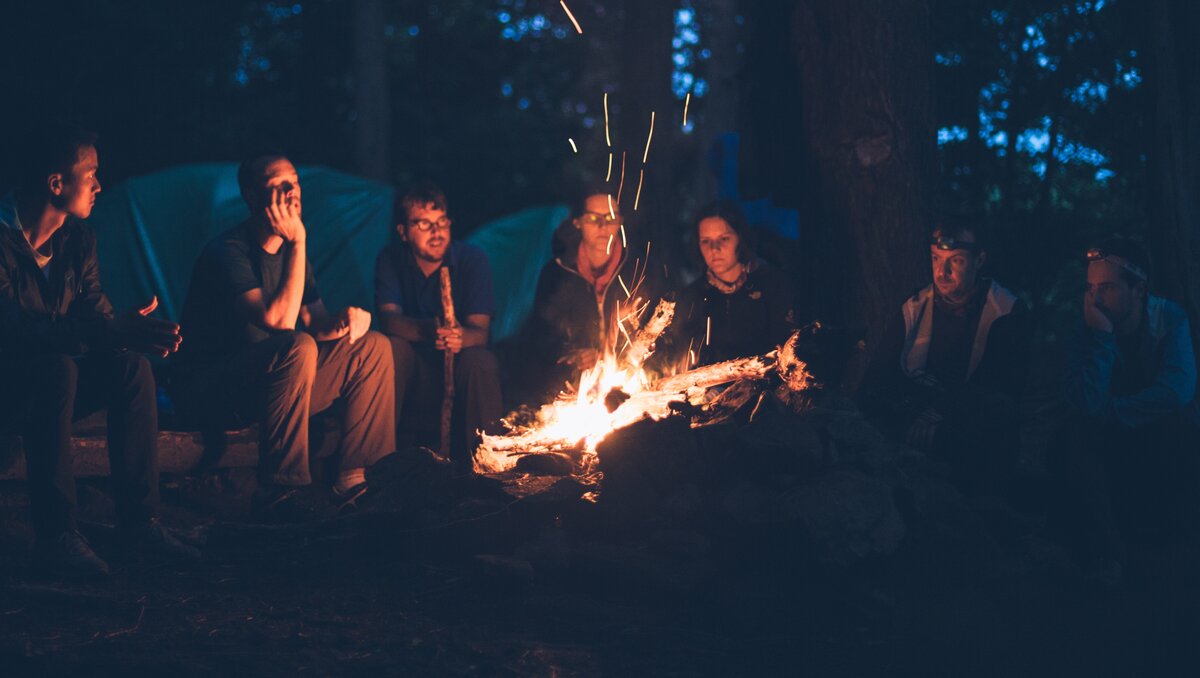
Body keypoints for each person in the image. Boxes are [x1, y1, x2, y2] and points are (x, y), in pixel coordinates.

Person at [0, 124, 196, 577]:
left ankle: (140, 523)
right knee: (56, 369)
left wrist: (122, 332)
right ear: (56, 184)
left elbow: (92, 311)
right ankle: (56, 536)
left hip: (52, 384)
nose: (98, 186)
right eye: (91, 175)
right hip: (11, 385)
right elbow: (14, 331)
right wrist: (105, 330)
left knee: (129, 368)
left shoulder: (77, 240)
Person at [174, 153, 395, 520]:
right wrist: (298, 242)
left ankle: (356, 480)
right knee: (297, 345)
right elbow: (278, 320)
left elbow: (315, 320)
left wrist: (346, 320)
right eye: (279, 185)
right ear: (252, 196)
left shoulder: (295, 257)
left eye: (295, 182)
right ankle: (282, 489)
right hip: (218, 392)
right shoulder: (228, 252)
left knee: (372, 347)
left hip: (278, 388)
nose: (293, 192)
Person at [1057, 237, 1200, 584]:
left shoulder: (1167, 318)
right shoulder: (1089, 327)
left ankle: (1173, 540)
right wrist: (1102, 340)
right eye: (1090, 288)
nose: (1094, 298)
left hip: (1150, 431)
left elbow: (1177, 390)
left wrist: (1115, 411)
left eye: (1106, 288)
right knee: (1068, 441)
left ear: (1138, 290)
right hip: (1106, 440)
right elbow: (1084, 405)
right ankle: (1107, 554)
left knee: (1180, 426)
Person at [859, 220, 1030, 496]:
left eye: (957, 261)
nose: (942, 272)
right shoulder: (916, 306)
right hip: (916, 412)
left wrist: (941, 412)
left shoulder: (1005, 312)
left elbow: (1002, 386)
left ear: (979, 260)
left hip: (967, 418)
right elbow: (877, 374)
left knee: (995, 416)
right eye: (936, 259)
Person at [374, 181, 501, 463]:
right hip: (417, 369)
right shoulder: (391, 260)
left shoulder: (471, 260)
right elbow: (389, 320)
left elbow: (480, 332)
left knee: (479, 360)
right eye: (423, 224)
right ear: (403, 232)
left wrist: (459, 337)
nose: (436, 232)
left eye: (442, 221)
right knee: (390, 348)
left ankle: (488, 465)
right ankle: (380, 462)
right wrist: (426, 331)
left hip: (460, 366)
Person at [517, 192, 661, 401]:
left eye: (610, 218)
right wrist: (572, 353)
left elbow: (659, 328)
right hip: (574, 383)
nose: (603, 226)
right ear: (577, 222)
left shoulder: (640, 270)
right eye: (594, 218)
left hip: (631, 378)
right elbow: (541, 336)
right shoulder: (557, 273)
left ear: (620, 221)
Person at [656, 200, 798, 370]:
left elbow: (789, 348)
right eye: (706, 241)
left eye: (724, 238)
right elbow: (677, 355)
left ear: (740, 238)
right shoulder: (692, 297)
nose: (714, 249)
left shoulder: (772, 284)